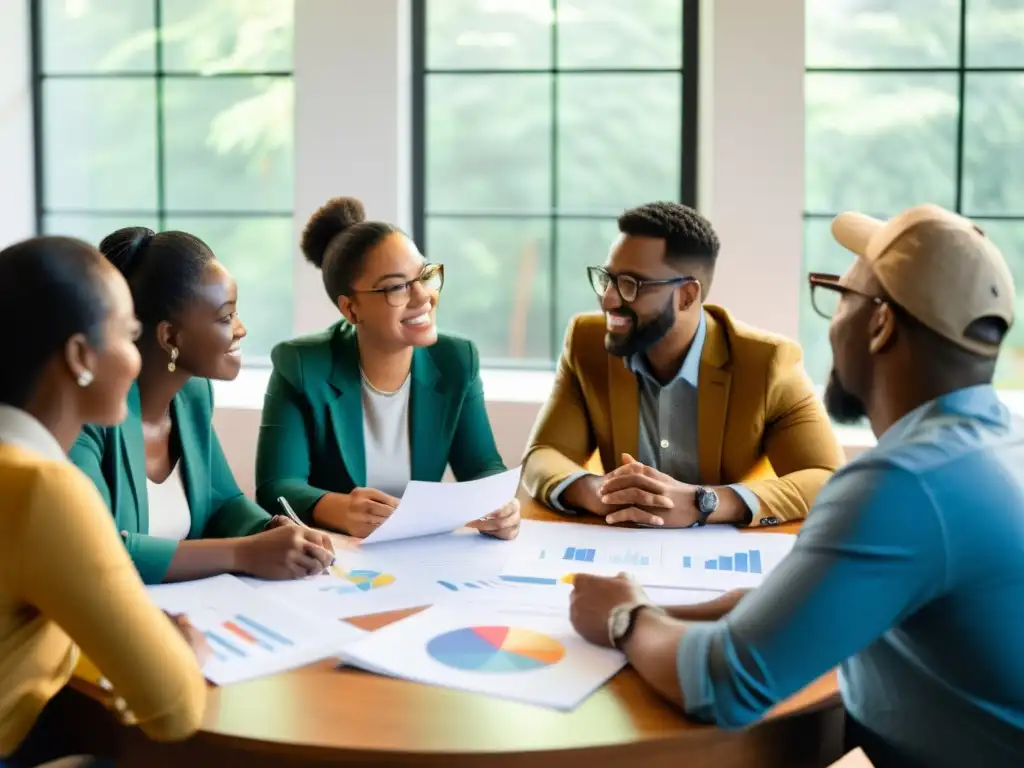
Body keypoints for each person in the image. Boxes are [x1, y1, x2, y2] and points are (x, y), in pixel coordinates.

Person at [568, 204, 1024, 767]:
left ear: (880, 325)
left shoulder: (901, 483)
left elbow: (722, 683)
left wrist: (625, 619)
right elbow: (833, 597)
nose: (833, 323)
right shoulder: (999, 447)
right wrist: (667, 604)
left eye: (842, 296)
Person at [0, 236, 207, 768]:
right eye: (129, 336)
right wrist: (178, 650)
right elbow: (176, 708)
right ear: (80, 357)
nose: (139, 359)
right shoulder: (44, 489)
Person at [523, 202, 842, 528]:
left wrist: (704, 502)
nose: (607, 299)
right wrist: (598, 491)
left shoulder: (766, 363)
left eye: (631, 284)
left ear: (687, 295)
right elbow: (543, 454)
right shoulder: (586, 343)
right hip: (621, 546)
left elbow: (829, 479)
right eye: (607, 279)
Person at [69, 227, 335, 586]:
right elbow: (97, 552)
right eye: (226, 317)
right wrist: (245, 552)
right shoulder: (87, 416)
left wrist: (269, 528)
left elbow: (222, 503)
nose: (241, 329)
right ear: (170, 337)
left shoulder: (193, 395)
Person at [255, 197, 519, 539]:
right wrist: (340, 508)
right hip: (336, 555)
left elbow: (482, 465)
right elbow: (276, 486)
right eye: (397, 287)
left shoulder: (456, 359)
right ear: (351, 310)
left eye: (424, 275)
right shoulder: (301, 364)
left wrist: (498, 503)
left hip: (421, 552)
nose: (423, 296)